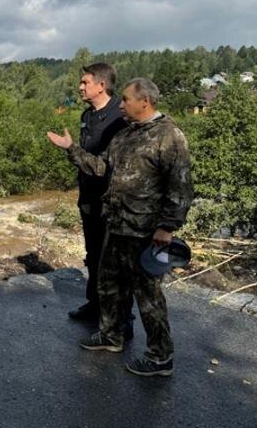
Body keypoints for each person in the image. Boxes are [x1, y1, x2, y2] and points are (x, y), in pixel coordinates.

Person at [47, 77, 193, 377]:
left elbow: (180, 186)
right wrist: (71, 149)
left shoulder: (170, 136)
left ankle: (160, 357)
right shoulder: (125, 134)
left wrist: (167, 227)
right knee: (108, 284)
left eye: (126, 99)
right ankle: (111, 336)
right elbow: (101, 168)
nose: (121, 104)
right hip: (116, 224)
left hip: (145, 231)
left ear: (145, 102)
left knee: (148, 296)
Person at [61, 63, 129, 326]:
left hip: (111, 202)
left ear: (101, 85)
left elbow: (106, 166)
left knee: (113, 262)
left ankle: (120, 319)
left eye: (85, 82)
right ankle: (95, 304)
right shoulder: (87, 115)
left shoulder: (119, 116)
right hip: (88, 198)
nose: (80, 87)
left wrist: (70, 149)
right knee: (92, 254)